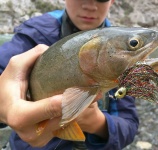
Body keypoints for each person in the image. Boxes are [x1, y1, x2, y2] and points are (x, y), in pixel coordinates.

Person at [0, 0, 139, 150]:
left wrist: (95, 122)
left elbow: (128, 125)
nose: (90, 6)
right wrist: (4, 110)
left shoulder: (122, 51)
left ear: (112, 1)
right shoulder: (34, 33)